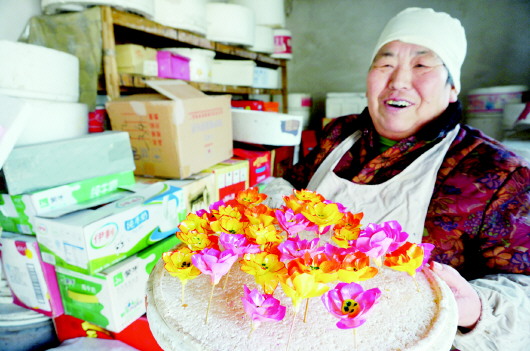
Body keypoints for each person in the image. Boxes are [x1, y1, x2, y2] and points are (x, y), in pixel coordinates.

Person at [263, 7, 530, 351]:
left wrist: (474, 307)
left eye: (421, 65)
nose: (398, 81)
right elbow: (292, 186)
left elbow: (523, 295)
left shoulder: (498, 173)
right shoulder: (339, 135)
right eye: (385, 64)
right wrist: (273, 202)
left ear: (452, 88)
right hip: (300, 334)